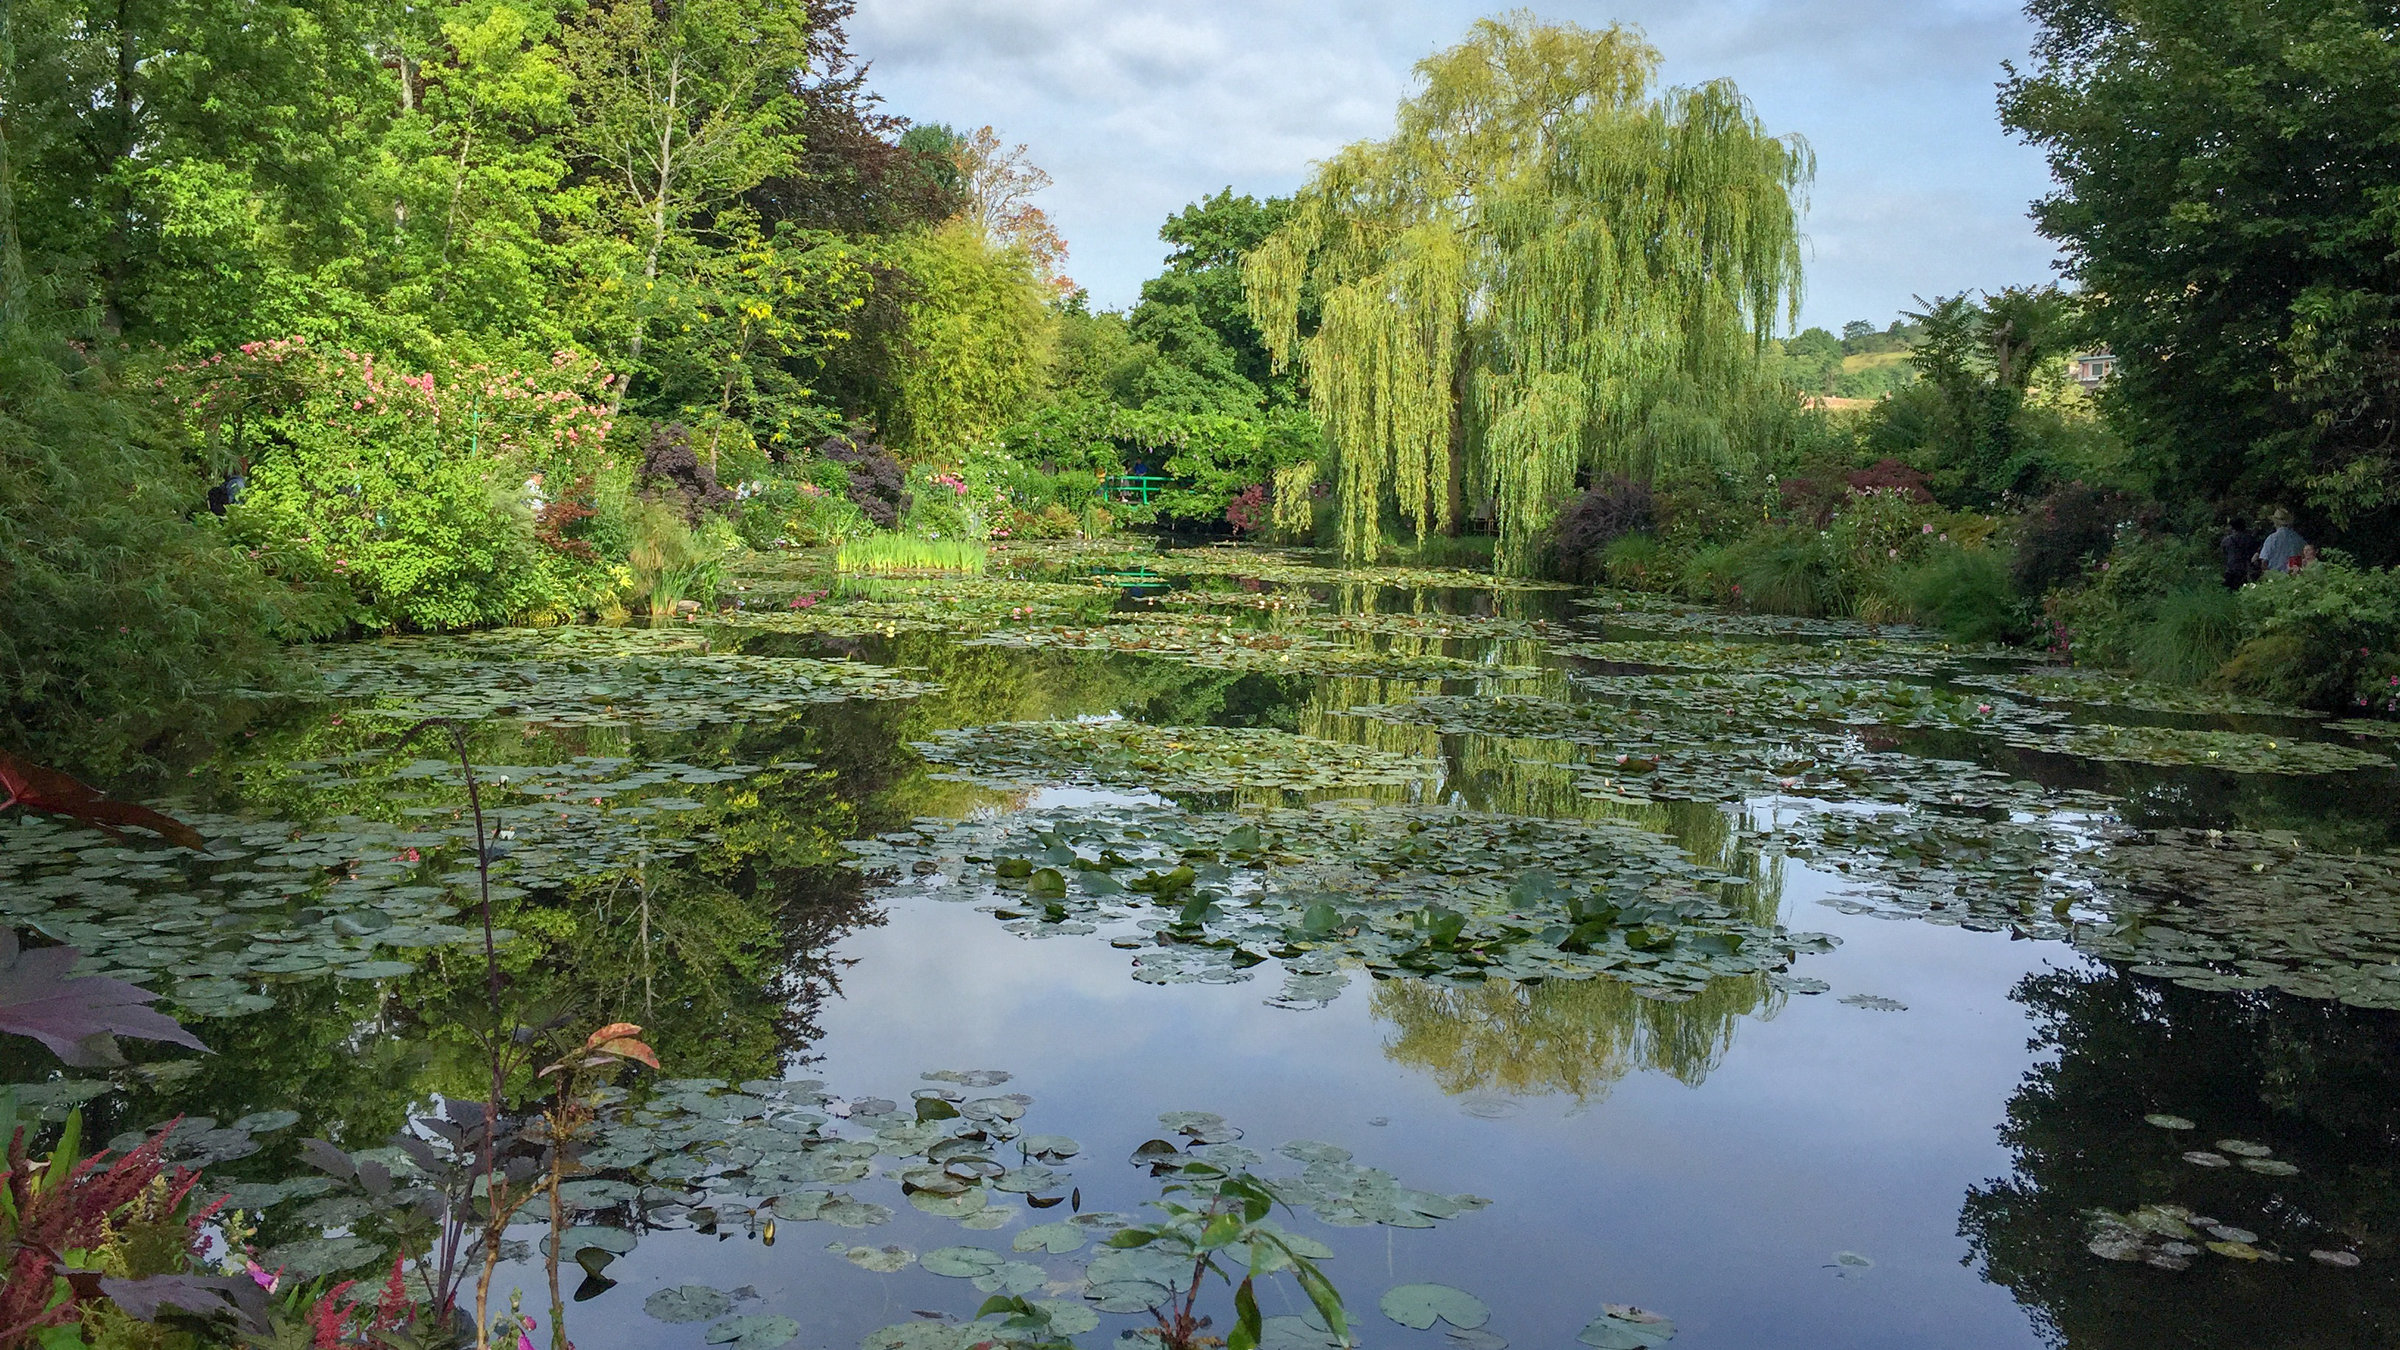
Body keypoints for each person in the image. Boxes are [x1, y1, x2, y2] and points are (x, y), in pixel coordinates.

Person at [2255, 508, 2306, 575]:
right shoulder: (2298, 539)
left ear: (2275, 522)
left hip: (2275, 576)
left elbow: (2264, 562)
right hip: (2294, 576)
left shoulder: (2271, 539)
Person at [2218, 517, 2260, 589]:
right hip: (2245, 571)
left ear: (2232, 527)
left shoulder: (2227, 540)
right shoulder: (2250, 539)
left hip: (2231, 570)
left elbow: (2224, 553)